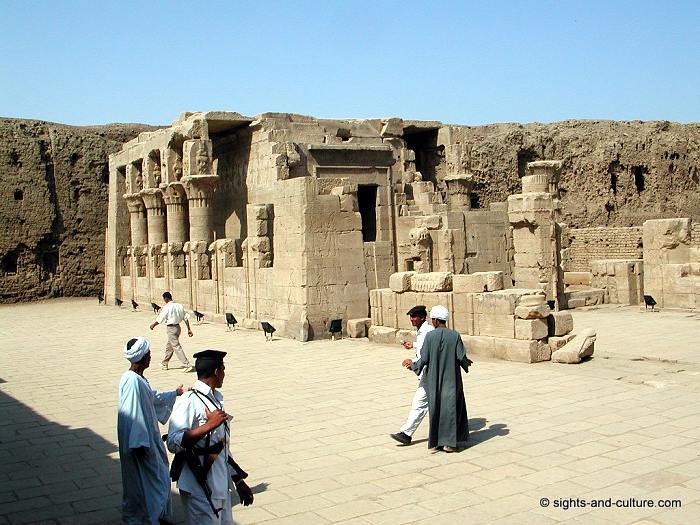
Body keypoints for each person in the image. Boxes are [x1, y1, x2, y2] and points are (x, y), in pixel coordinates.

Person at [167, 350, 254, 525]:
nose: (224, 374)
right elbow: (172, 441)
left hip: (220, 484)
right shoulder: (189, 400)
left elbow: (221, 446)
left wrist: (238, 479)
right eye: (223, 369)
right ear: (216, 372)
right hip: (198, 485)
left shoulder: (216, 399)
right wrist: (208, 426)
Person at [117, 337, 184, 525]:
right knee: (149, 483)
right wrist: (139, 443)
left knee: (152, 481)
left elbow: (152, 398)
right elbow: (132, 414)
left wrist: (174, 394)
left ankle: (154, 516)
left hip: (146, 441)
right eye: (148, 354)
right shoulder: (132, 382)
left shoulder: (138, 379)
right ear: (143, 357)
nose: (150, 356)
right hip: (140, 445)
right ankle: (145, 519)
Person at [403, 305, 471, 452]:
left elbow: (424, 358)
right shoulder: (455, 335)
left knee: (437, 409)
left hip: (434, 379)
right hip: (452, 379)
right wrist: (466, 363)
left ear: (434, 320)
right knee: (451, 409)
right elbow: (461, 357)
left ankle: (438, 441)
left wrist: (414, 366)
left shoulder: (430, 336)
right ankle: (450, 443)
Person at [390, 305, 434, 445]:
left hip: (429, 372)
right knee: (425, 403)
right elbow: (423, 348)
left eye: (414, 317)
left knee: (419, 403)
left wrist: (414, 363)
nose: (412, 319)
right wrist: (413, 345)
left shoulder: (428, 331)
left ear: (422, 317)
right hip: (426, 372)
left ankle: (406, 434)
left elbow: (427, 354)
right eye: (411, 316)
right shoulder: (422, 331)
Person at [150, 291, 194, 371]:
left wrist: (153, 325)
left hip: (171, 328)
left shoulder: (167, 307)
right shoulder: (179, 306)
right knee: (169, 346)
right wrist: (189, 329)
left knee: (176, 346)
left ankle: (187, 364)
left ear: (166, 298)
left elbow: (161, 318)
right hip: (177, 328)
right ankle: (165, 363)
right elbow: (185, 318)